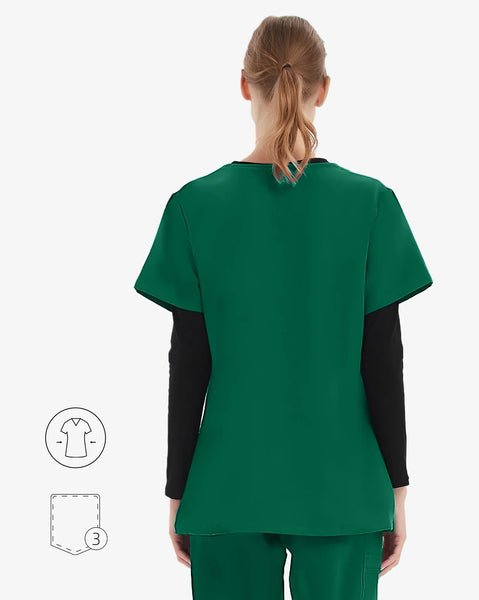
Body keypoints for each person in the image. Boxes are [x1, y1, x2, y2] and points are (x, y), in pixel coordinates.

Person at [134, 15, 433, 600]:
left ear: (245, 84)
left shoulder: (194, 206)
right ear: (325, 89)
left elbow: (188, 366)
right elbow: (383, 363)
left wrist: (179, 490)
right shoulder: (370, 204)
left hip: (226, 486)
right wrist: (396, 491)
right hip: (345, 489)